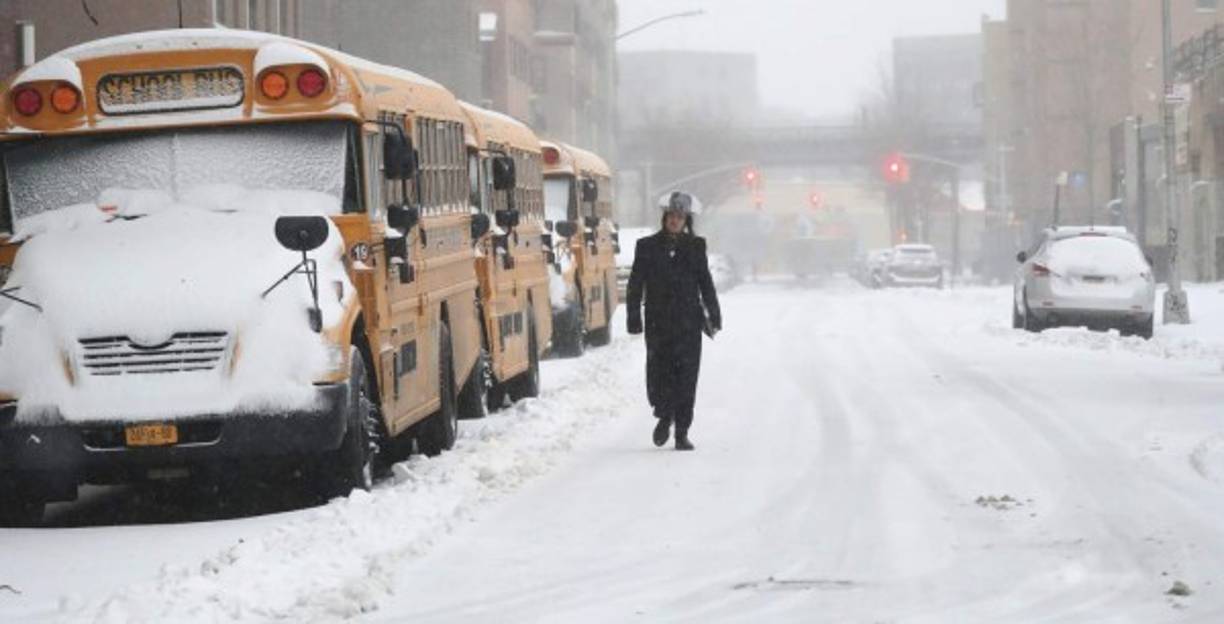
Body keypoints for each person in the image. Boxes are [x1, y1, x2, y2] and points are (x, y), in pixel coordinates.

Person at [626, 191, 722, 451]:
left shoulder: (696, 246)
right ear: (665, 217)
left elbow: (705, 283)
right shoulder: (646, 247)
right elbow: (636, 284)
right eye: (672, 216)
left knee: (687, 377)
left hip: (688, 323)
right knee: (659, 374)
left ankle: (681, 431)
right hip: (658, 323)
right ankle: (663, 414)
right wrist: (633, 316)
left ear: (686, 220)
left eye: (680, 217)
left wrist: (714, 313)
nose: (675, 221)